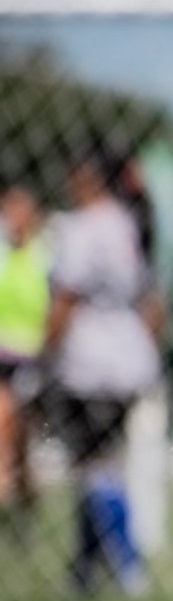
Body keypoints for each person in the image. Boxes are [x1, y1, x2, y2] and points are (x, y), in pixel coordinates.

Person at [42, 152, 162, 595]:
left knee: (93, 467)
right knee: (96, 465)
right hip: (129, 358)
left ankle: (130, 566)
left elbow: (65, 299)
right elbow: (151, 300)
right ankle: (85, 573)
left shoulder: (80, 227)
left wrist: (43, 355)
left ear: (83, 178)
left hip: (88, 363)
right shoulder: (126, 224)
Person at [0, 186, 49, 534]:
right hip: (2, 353)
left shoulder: (46, 253)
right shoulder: (3, 253)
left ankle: (25, 508)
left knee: (22, 446)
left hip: (32, 357)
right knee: (4, 422)